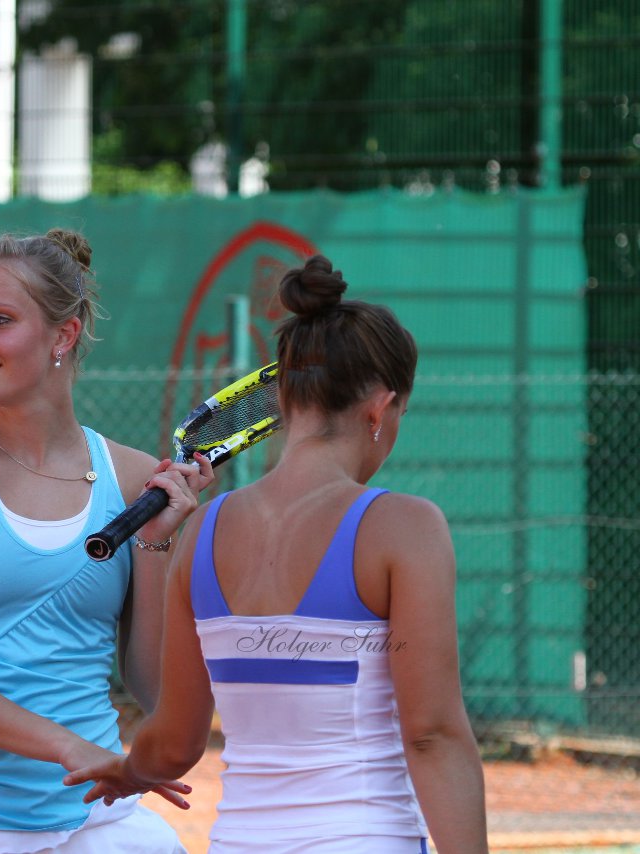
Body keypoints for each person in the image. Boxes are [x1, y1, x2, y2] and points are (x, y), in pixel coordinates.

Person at [64, 255, 489, 853]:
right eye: (399, 416)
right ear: (379, 410)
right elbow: (433, 736)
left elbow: (175, 744)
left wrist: (132, 769)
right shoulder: (406, 526)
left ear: (282, 399)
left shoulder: (205, 531)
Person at [0, 228, 215, 852]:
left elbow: (153, 685)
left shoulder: (135, 478)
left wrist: (158, 542)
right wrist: (68, 746)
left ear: (63, 334)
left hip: (93, 819)